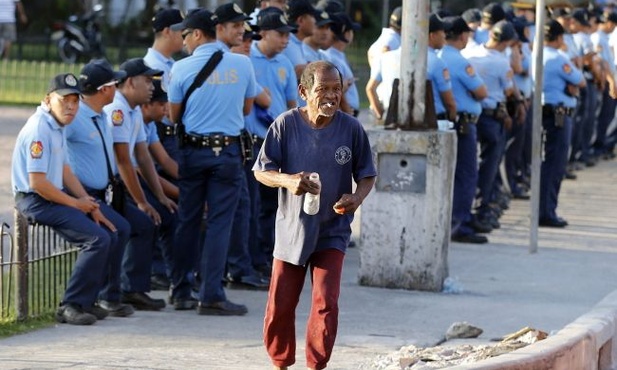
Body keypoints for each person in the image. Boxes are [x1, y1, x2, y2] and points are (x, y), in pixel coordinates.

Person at [254, 60, 376, 370]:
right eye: (323, 89)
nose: (332, 96)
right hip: (292, 230)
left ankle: (316, 364)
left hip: (332, 230)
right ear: (304, 91)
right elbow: (262, 171)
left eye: (337, 90)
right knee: (281, 305)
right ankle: (280, 362)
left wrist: (356, 198)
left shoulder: (351, 128)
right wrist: (289, 180)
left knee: (325, 303)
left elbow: (367, 174)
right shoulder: (284, 125)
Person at [168, 9, 258, 315]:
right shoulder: (243, 64)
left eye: (185, 35)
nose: (182, 41)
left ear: (197, 34)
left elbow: (173, 116)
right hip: (228, 153)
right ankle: (211, 295)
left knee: (188, 220)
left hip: (192, 153)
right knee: (220, 222)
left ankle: (181, 290)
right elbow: (247, 108)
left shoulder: (180, 70)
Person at [11, 73, 114, 325]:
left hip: (49, 195)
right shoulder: (39, 130)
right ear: (48, 100)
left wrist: (88, 202)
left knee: (110, 232)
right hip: (35, 200)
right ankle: (70, 305)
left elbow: (66, 170)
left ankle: (86, 300)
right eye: (64, 100)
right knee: (96, 239)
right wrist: (76, 204)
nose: (70, 106)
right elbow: (38, 183)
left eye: (75, 100)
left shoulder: (56, 125)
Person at [64, 60, 134, 318]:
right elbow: (58, 146)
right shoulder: (76, 116)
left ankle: (102, 296)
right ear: (105, 89)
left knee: (121, 229)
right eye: (114, 84)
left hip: (101, 191)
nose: (117, 88)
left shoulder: (100, 113)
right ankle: (94, 298)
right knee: (112, 232)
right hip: (80, 192)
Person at [104, 58, 175, 311]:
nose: (151, 87)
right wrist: (143, 202)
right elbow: (124, 160)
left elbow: (143, 156)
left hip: (120, 184)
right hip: (108, 185)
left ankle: (133, 288)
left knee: (147, 223)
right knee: (137, 224)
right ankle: (121, 290)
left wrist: (160, 196)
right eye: (147, 81)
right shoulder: (118, 109)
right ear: (131, 82)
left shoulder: (133, 110)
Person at [214, 2, 270, 291]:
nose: (246, 42)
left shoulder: (237, 61)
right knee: (238, 208)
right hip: (230, 143)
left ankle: (239, 266)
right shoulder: (235, 63)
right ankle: (236, 268)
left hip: (240, 144)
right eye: (242, 34)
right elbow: (257, 102)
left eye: (249, 38)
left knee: (245, 207)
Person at [462, 20, 524, 230]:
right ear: (507, 41)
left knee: (470, 165)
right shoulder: (501, 62)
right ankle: (482, 209)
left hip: (474, 115)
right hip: (493, 116)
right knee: (489, 165)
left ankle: (468, 208)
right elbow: (508, 91)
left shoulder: (471, 54)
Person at [438, 16, 489, 244]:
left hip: (448, 122)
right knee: (466, 174)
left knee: (450, 175)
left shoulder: (438, 56)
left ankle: (455, 220)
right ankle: (460, 223)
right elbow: (481, 92)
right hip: (464, 123)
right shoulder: (459, 60)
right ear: (462, 35)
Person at [539, 20, 585, 227]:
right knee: (555, 165)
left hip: (543, 112)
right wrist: (571, 86)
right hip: (557, 115)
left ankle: (545, 209)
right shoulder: (558, 58)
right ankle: (547, 212)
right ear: (559, 38)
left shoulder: (536, 55)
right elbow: (580, 81)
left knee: (547, 163)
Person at [143, 8, 184, 165]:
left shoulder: (171, 64)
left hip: (172, 136)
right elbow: (166, 110)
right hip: (162, 136)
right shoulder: (153, 66)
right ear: (168, 31)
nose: (185, 35)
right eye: (181, 30)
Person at [324, 12, 362, 117]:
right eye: (350, 31)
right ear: (346, 34)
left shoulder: (339, 56)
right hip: (344, 112)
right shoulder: (332, 58)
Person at [283, 0, 318, 79]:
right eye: (312, 16)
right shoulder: (286, 44)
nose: (315, 21)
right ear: (301, 20)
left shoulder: (298, 43)